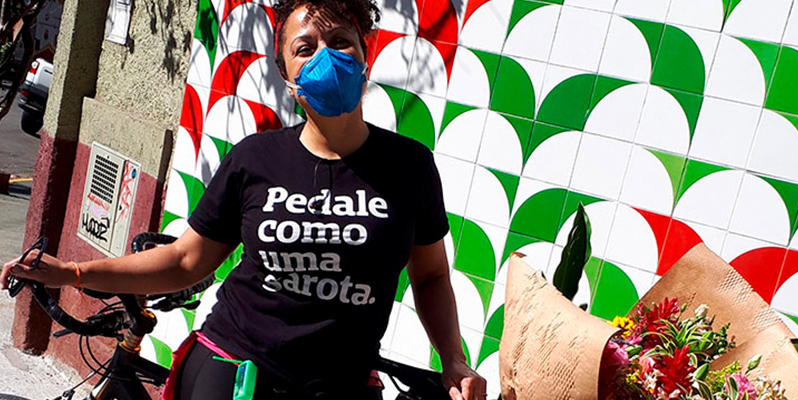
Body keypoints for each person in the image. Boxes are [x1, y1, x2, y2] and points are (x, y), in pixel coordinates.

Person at [1, 0, 487, 399]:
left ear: (366, 53)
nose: (326, 58)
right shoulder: (256, 159)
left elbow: (431, 275)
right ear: (286, 74)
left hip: (342, 384)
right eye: (305, 48)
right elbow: (185, 260)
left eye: (341, 42)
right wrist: (73, 272)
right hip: (233, 369)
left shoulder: (409, 166)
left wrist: (453, 359)